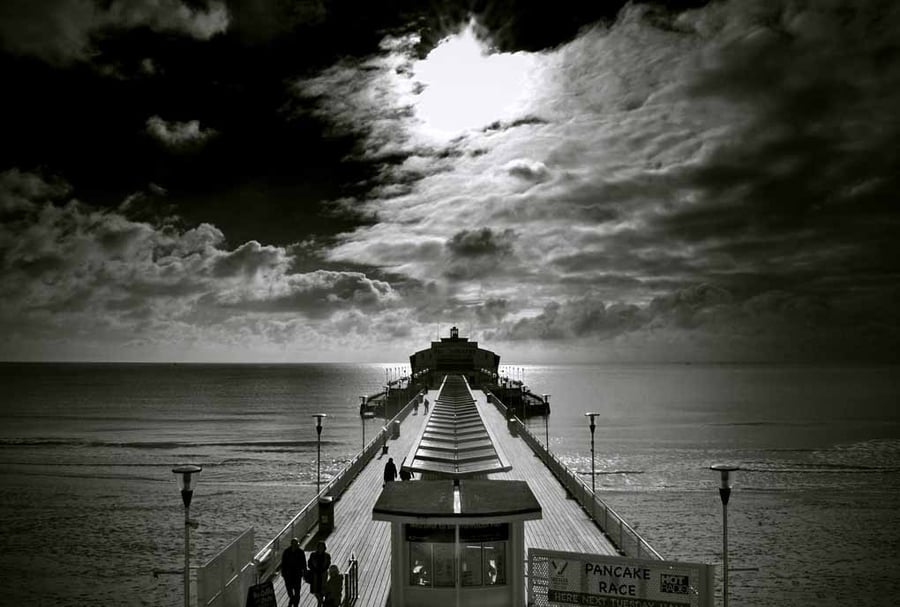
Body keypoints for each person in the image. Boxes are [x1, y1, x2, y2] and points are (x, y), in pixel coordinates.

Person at [281, 538, 307, 607]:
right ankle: (292, 599)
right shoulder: (286, 552)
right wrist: (283, 573)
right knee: (289, 590)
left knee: (297, 591)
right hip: (288, 574)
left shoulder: (301, 552)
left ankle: (295, 604)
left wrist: (304, 572)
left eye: (296, 544)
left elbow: (304, 563)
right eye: (294, 544)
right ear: (291, 544)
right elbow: (283, 563)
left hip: (297, 574)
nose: (295, 546)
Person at [307, 540, 332, 605]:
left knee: (322, 590)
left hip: (323, 575)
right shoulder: (313, 555)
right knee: (316, 591)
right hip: (315, 575)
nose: (321, 548)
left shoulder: (327, 556)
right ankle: (320, 601)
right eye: (319, 547)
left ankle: (320, 603)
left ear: (324, 548)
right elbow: (309, 564)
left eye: (322, 547)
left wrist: (322, 570)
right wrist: (314, 569)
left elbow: (327, 565)